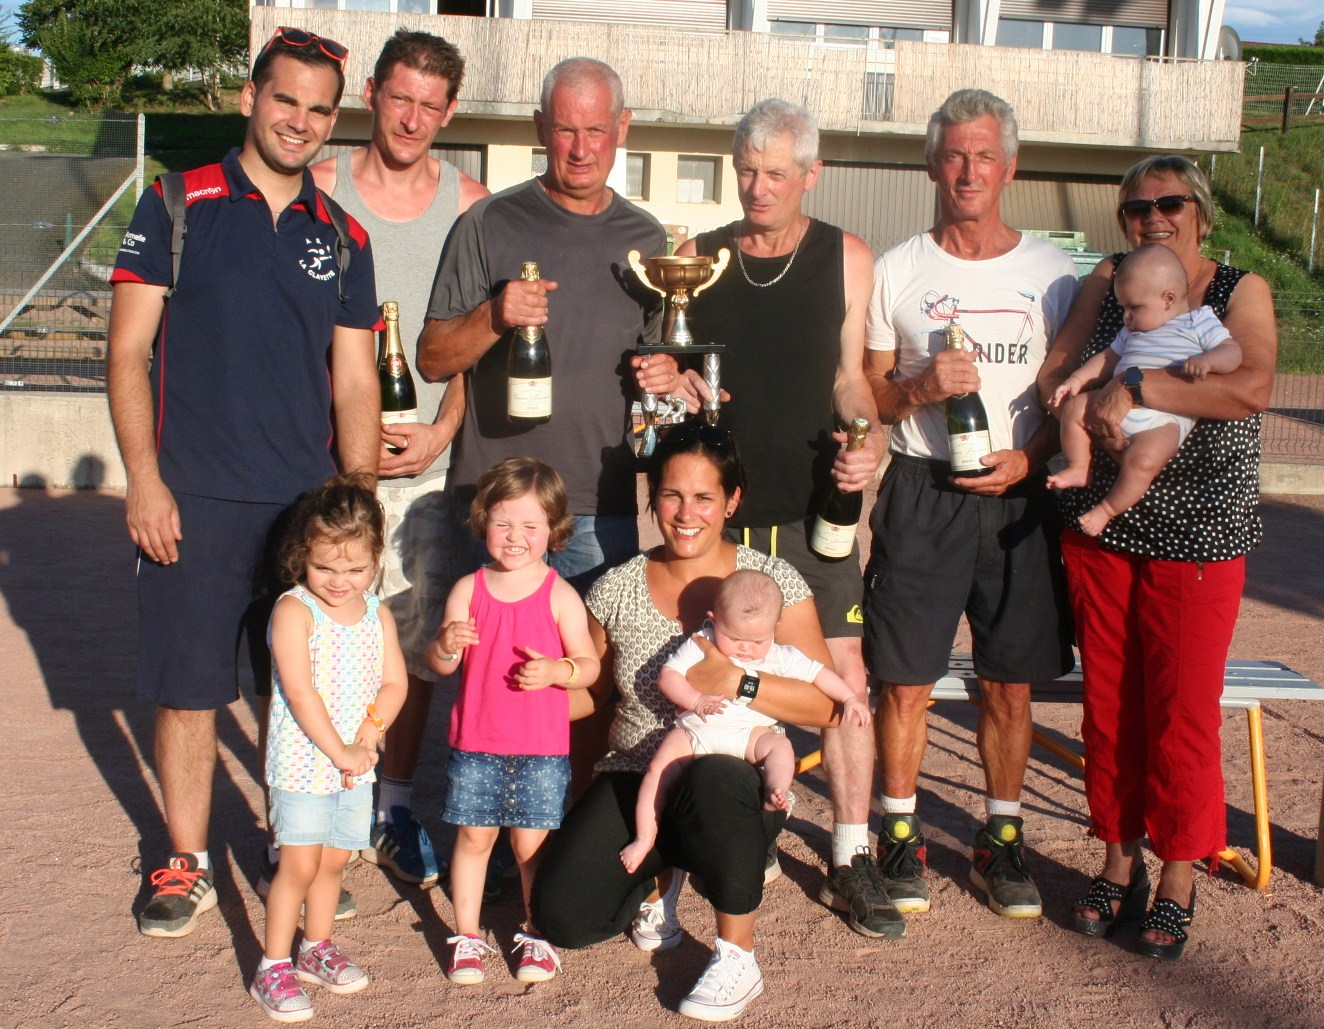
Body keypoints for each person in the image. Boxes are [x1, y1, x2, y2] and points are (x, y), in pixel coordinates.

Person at [108, 26, 380, 939]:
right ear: (249, 98)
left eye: (317, 108)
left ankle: (289, 846)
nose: (299, 121)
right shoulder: (177, 203)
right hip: (193, 497)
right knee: (189, 689)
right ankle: (181, 859)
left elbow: (354, 380)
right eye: (284, 99)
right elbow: (126, 353)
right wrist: (145, 481)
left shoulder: (343, 236)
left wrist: (359, 499)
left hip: (302, 510)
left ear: (332, 122)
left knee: (295, 693)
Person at [1036, 155, 1276, 959]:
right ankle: (1117, 858)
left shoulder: (1235, 291)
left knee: (1180, 706)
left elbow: (1248, 388)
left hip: (1201, 530)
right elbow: (1055, 375)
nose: (1153, 217)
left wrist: (1137, 393)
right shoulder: (1111, 278)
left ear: (1199, 210)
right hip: (1105, 531)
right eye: (1136, 208)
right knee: (1109, 701)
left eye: (1169, 203)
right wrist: (1082, 393)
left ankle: (1179, 872)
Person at [531, 421, 841, 1022]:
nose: (686, 512)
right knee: (566, 918)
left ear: (732, 500)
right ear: (653, 500)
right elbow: (593, 701)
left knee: (715, 781)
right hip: (636, 769)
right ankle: (663, 873)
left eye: (704, 497)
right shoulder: (616, 587)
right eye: (671, 495)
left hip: (732, 772)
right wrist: (527, 702)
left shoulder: (771, 581)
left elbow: (828, 706)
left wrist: (741, 682)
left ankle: (736, 955)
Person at [861, 88, 1079, 923]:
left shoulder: (1055, 274)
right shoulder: (899, 268)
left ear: (1010, 166)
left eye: (984, 154)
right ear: (931, 165)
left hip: (1018, 496)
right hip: (923, 492)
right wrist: (919, 386)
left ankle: (1001, 838)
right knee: (905, 681)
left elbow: (1072, 397)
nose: (969, 170)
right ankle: (900, 831)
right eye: (954, 154)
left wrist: (1033, 458)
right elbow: (875, 396)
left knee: (1010, 687)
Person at [673, 98, 888, 938]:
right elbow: (675, 374)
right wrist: (675, 382)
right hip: (717, 513)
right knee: (701, 675)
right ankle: (721, 834)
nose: (758, 188)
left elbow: (847, 376)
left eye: (776, 173)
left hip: (811, 513)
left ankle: (848, 854)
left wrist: (864, 440)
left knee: (847, 681)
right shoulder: (697, 258)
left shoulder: (846, 255)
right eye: (747, 171)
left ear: (811, 174)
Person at [309, 27, 489, 889]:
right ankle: (320, 819)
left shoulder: (470, 202)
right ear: (372, 93)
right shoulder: (319, 186)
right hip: (331, 468)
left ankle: (394, 808)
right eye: (400, 96)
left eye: (430, 104)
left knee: (414, 652)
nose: (412, 116)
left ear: (448, 111)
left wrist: (443, 430)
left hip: (426, 469)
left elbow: (479, 345)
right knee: (327, 643)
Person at [417, 56, 678, 592]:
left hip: (597, 508)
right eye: (564, 131)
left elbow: (656, 372)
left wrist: (667, 373)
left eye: (596, 131)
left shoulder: (648, 241)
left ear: (622, 127)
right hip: (496, 505)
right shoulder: (488, 222)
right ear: (541, 128)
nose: (581, 150)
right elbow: (432, 359)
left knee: (586, 673)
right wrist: (495, 315)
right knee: (486, 669)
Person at [427, 457, 599, 985]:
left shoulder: (559, 593)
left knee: (531, 845)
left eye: (530, 525)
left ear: (554, 529)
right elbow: (440, 665)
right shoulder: (468, 588)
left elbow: (589, 666)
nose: (515, 536)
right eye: (503, 523)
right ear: (483, 523)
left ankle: (537, 932)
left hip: (541, 747)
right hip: (476, 741)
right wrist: (444, 645)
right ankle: (467, 936)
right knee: (475, 839)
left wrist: (557, 670)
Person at [252, 475, 407, 1022]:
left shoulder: (376, 613)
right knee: (298, 863)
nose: (341, 581)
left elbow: (395, 683)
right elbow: (300, 690)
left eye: (356, 570)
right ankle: (273, 964)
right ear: (303, 556)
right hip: (304, 764)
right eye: (326, 568)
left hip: (355, 766)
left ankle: (316, 947)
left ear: (375, 561)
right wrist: (339, 750)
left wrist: (368, 733)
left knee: (336, 861)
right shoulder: (295, 611)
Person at [620, 569, 869, 874]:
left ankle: (775, 789)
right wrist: (695, 700)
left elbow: (820, 674)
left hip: (749, 734)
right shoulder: (701, 643)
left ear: (774, 627)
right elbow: (668, 677)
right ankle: (645, 837)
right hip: (698, 730)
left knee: (781, 747)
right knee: (657, 771)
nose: (745, 648)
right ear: (714, 620)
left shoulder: (780, 655)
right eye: (734, 637)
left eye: (757, 640)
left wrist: (849, 698)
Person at [1047, 243, 1242, 536]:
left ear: (1168, 299)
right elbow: (1106, 358)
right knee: (1074, 409)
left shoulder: (1198, 321)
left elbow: (1232, 352)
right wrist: (1075, 380)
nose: (1126, 316)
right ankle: (1079, 466)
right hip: (1113, 408)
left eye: (1134, 307)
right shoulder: (1131, 331)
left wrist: (1209, 360)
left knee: (1143, 462)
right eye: (1124, 307)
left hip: (1163, 419)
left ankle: (1107, 510)